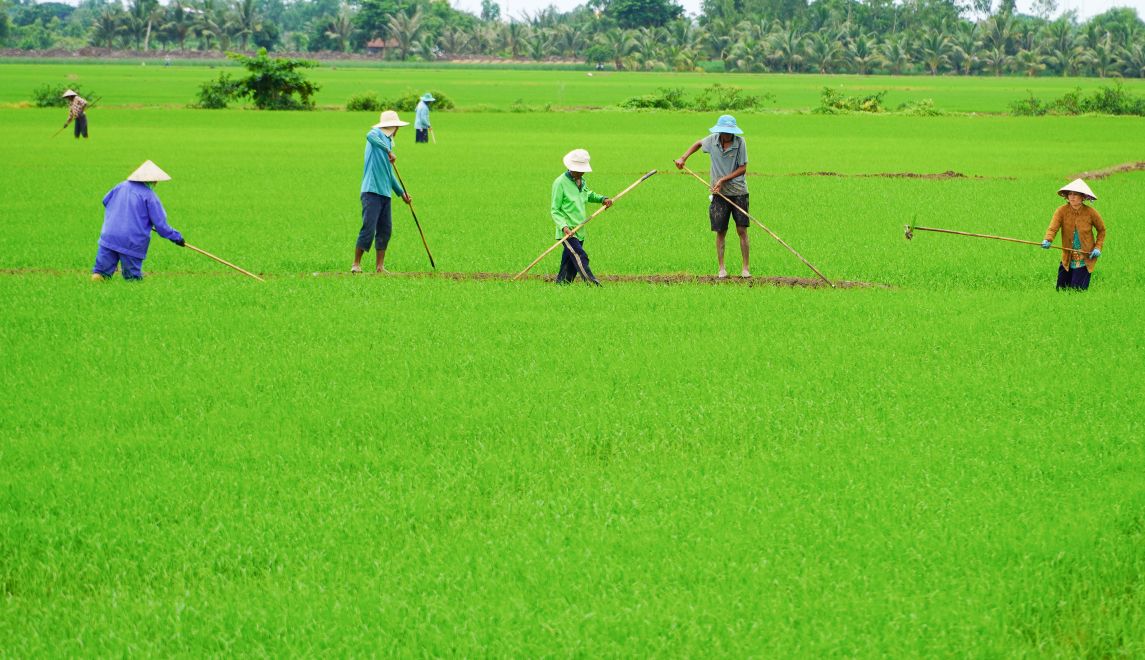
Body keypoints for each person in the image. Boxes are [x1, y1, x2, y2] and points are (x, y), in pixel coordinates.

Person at [674, 114, 750, 279]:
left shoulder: (740, 143)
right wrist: (683, 158)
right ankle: (721, 268)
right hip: (718, 193)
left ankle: (745, 268)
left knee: (741, 230)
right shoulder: (713, 140)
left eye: (729, 132)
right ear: (720, 131)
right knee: (720, 231)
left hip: (738, 192)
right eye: (724, 131)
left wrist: (723, 179)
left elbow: (743, 168)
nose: (726, 134)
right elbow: (698, 143)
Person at [91, 160, 184, 281]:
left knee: (100, 274)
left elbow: (105, 201)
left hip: (109, 236)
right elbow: (161, 226)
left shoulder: (120, 186)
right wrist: (177, 238)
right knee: (132, 279)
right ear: (152, 180)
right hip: (131, 241)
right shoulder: (150, 196)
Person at [353, 110, 412, 274]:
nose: (398, 130)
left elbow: (389, 174)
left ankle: (380, 267)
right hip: (371, 191)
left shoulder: (389, 141)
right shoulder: (377, 135)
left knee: (385, 229)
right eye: (397, 127)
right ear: (393, 127)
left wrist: (402, 193)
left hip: (385, 193)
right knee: (369, 228)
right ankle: (356, 264)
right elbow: (369, 135)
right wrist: (388, 151)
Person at [551, 149, 612, 286]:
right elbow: (555, 210)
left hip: (580, 230)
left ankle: (562, 286)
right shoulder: (560, 183)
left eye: (582, 170)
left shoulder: (581, 182)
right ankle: (593, 285)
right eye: (578, 170)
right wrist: (564, 227)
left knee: (570, 263)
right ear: (571, 167)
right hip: (568, 231)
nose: (581, 173)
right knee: (580, 257)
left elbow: (587, 194)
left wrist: (602, 199)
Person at [1042, 178, 1106, 291]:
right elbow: (1053, 228)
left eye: (1075, 194)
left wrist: (1098, 247)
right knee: (1061, 290)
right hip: (1067, 257)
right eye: (1070, 194)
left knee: (1077, 291)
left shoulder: (1091, 213)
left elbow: (1102, 230)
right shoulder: (1061, 211)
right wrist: (1048, 239)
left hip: (1085, 259)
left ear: (1083, 197)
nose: (1072, 197)